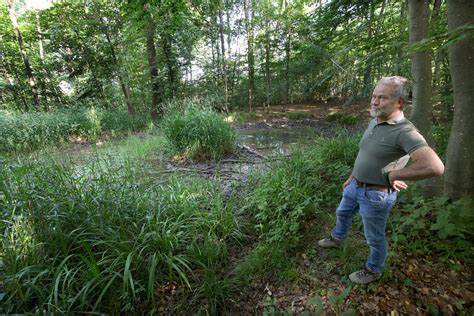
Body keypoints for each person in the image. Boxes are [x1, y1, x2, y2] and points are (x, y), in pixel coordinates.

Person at [318, 76, 444, 284]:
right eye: (374, 96)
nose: (375, 102)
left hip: (375, 195)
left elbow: (435, 167)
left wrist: (395, 175)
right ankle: (337, 238)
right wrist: (353, 174)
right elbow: (366, 153)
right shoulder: (375, 121)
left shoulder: (406, 132)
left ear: (399, 102)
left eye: (382, 98)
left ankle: (373, 269)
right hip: (355, 185)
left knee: (374, 237)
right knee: (342, 213)